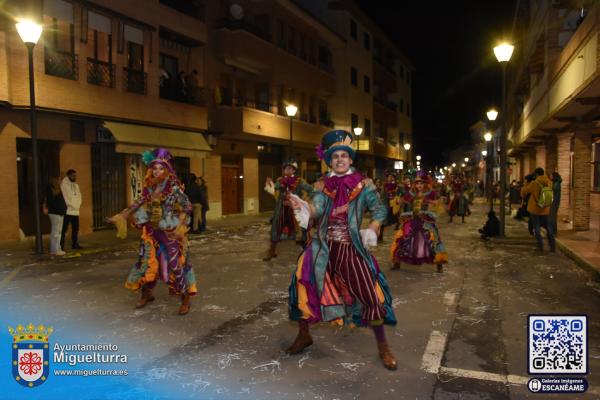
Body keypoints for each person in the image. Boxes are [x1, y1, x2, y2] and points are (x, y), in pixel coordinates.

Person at [287, 130, 397, 370]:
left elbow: (379, 210)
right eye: (334, 156)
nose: (339, 159)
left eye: (343, 155)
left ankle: (383, 346)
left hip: (350, 247)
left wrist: (374, 226)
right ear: (329, 160)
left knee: (369, 294)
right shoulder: (321, 185)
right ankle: (304, 335)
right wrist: (304, 207)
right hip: (322, 247)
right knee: (303, 284)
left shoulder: (363, 184)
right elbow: (316, 209)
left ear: (350, 159)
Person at [107, 148, 197, 314]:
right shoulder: (149, 188)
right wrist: (122, 215)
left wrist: (180, 225)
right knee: (146, 263)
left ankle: (185, 298)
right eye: (154, 168)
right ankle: (146, 294)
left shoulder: (173, 188)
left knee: (175, 265)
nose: (157, 171)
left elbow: (187, 206)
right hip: (150, 231)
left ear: (167, 169)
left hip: (169, 231)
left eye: (161, 168)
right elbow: (137, 203)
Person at [391, 170, 448, 273]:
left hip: (425, 218)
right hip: (412, 217)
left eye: (421, 183)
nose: (419, 185)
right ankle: (397, 262)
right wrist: (398, 201)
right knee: (403, 236)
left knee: (432, 238)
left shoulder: (431, 193)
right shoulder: (411, 193)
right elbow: (404, 200)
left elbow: (438, 202)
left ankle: (439, 264)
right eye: (417, 183)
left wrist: (429, 201)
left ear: (425, 184)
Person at [263, 160, 313, 261]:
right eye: (286, 168)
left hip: (295, 210)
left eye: (290, 168)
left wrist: (305, 201)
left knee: (303, 230)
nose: (288, 170)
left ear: (294, 170)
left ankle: (307, 255)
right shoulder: (280, 180)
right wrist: (269, 183)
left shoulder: (299, 181)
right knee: (276, 229)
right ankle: (271, 251)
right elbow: (273, 189)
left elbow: (310, 189)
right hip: (281, 210)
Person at [521, 167, 556, 252]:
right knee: (548, 228)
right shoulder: (549, 182)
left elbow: (524, 192)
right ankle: (552, 247)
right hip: (545, 209)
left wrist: (526, 183)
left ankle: (540, 246)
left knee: (536, 227)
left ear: (536, 174)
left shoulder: (534, 183)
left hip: (535, 209)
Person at [43, 176, 67, 256]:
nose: (61, 181)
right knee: (56, 232)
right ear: (55, 181)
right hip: (55, 213)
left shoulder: (58, 189)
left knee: (59, 232)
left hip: (60, 212)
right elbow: (50, 201)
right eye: (59, 180)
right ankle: (54, 250)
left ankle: (58, 249)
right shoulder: (51, 189)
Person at [60, 169, 83, 250]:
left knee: (75, 228)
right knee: (64, 229)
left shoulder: (76, 185)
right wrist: (72, 205)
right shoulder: (64, 184)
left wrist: (78, 205)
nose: (75, 177)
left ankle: (75, 244)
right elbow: (65, 197)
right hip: (68, 210)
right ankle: (61, 245)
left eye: (75, 175)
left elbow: (80, 196)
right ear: (68, 175)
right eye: (73, 175)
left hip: (76, 211)